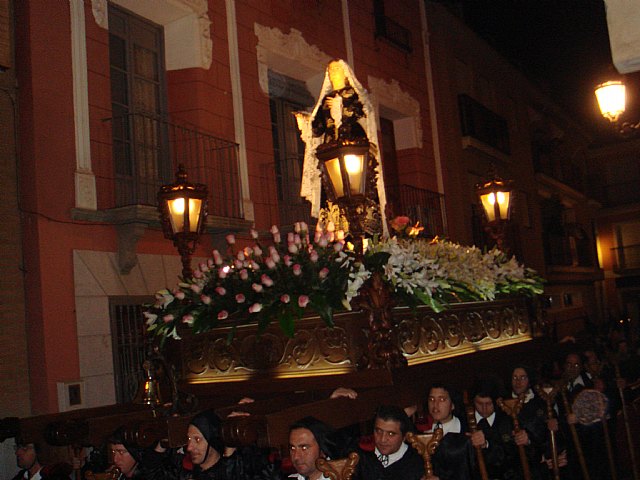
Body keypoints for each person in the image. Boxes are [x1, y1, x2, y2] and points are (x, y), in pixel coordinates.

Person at [143, 409, 279, 480]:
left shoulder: (238, 468)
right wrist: (163, 440)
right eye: (188, 439)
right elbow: (151, 474)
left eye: (197, 440)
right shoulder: (186, 472)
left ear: (212, 441)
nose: (189, 447)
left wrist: (231, 441)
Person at [353, 405, 423, 480]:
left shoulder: (417, 463)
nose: (382, 439)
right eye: (379, 431)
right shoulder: (358, 456)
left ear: (404, 437)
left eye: (391, 434)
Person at [424, 384, 475, 480]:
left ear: (452, 404)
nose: (435, 405)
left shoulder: (467, 431)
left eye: (442, 399)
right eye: (431, 400)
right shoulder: (422, 434)